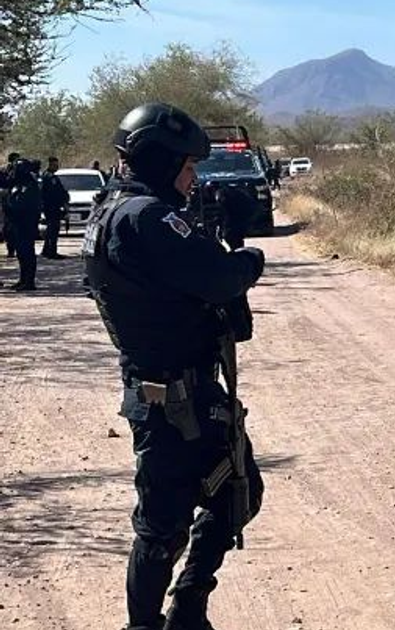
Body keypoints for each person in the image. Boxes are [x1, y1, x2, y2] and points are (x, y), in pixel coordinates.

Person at [82, 102, 266, 630]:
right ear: (161, 163)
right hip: (172, 398)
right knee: (163, 527)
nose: (193, 179)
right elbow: (220, 278)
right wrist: (248, 259)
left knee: (236, 491)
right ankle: (150, 622)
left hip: (175, 390)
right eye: (187, 167)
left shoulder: (113, 211)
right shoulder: (146, 216)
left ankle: (187, 608)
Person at [7, 159, 42, 291]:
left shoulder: (30, 185)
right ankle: (23, 279)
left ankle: (29, 281)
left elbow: (25, 205)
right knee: (21, 253)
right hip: (17, 224)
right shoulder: (18, 184)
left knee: (27, 253)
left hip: (26, 224)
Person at [40, 157, 69, 259]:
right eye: (55, 165)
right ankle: (52, 252)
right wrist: (63, 201)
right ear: (50, 165)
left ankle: (46, 250)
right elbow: (55, 193)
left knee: (50, 230)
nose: (57, 167)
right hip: (52, 207)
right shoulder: (49, 177)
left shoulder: (48, 176)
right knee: (53, 230)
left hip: (51, 207)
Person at [2, 152, 20, 259]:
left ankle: (17, 249)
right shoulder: (4, 171)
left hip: (18, 204)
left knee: (17, 228)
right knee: (9, 228)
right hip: (8, 204)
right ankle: (11, 250)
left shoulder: (21, 171)